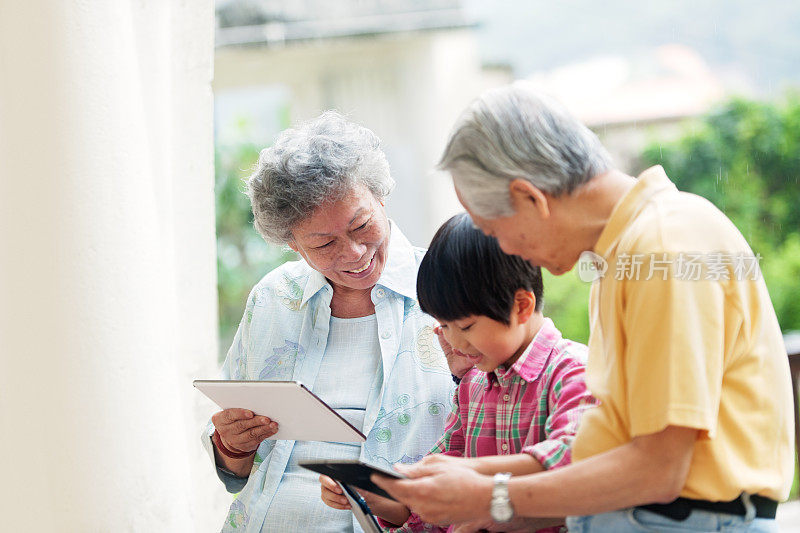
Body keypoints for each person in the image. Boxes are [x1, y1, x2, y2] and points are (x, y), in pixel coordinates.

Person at [373, 84, 794, 532]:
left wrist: (491, 496)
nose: (507, 249)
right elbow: (617, 447)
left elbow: (659, 468)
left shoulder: (663, 246)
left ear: (530, 198)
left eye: (494, 230)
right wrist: (458, 479)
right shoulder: (625, 256)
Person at [201, 111, 458, 533]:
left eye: (361, 224)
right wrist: (232, 446)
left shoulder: (448, 286)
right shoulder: (273, 299)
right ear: (292, 243)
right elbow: (234, 473)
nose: (354, 252)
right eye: (324, 243)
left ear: (381, 196)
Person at [321, 213, 595, 532]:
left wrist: (471, 479)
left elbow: (576, 457)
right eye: (444, 325)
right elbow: (436, 504)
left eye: (465, 326)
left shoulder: (574, 371)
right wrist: (377, 495)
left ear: (521, 306)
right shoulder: (472, 386)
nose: (453, 341)